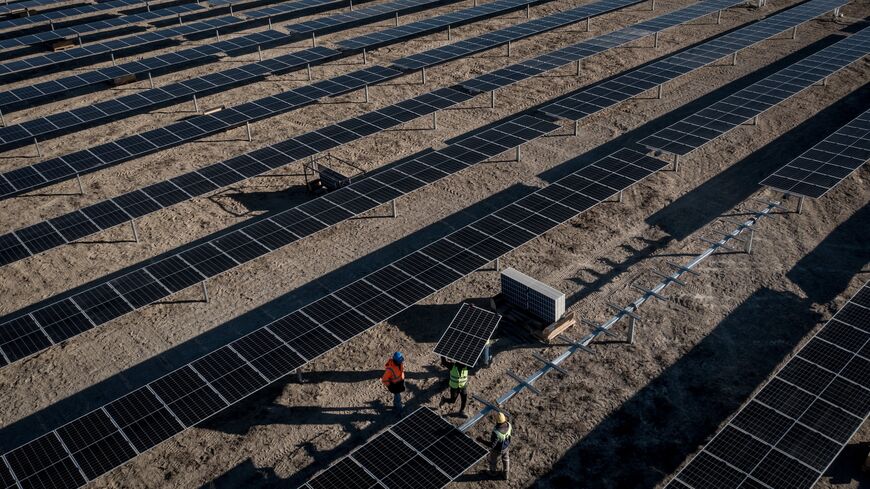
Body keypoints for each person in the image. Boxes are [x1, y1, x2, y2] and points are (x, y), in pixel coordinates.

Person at [488, 412, 512, 480]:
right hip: (506, 447)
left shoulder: (496, 432)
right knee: (506, 459)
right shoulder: (509, 425)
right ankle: (506, 474)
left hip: (497, 450)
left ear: (497, 421)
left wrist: (481, 440)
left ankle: (493, 472)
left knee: (493, 460)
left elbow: (492, 445)